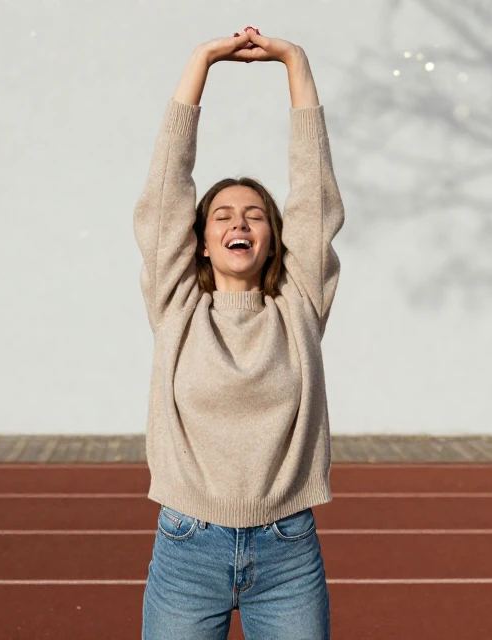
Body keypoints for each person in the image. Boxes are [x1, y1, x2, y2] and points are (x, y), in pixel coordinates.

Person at [133, 25, 344, 640]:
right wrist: (201, 62)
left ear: (275, 237)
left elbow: (315, 197)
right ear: (200, 240)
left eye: (255, 215)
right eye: (222, 216)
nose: (239, 224)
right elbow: (165, 196)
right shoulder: (177, 306)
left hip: (288, 549)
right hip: (187, 546)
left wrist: (295, 63)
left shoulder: (299, 306)